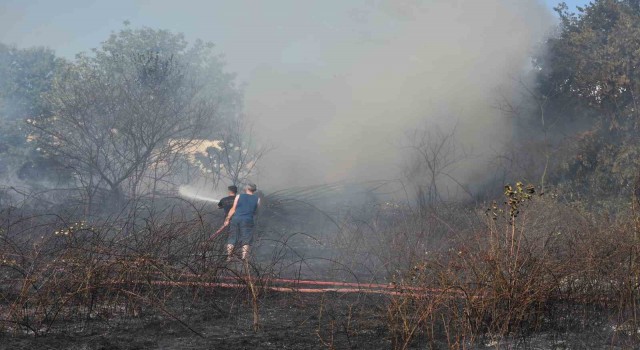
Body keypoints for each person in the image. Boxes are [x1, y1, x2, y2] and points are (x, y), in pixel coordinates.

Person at [224, 183, 260, 261]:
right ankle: (244, 258)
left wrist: (227, 219)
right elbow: (256, 211)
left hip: (236, 219)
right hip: (248, 220)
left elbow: (233, 209)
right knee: (246, 239)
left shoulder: (239, 196)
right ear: (254, 190)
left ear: (246, 189)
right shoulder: (257, 199)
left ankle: (229, 257)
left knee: (232, 237)